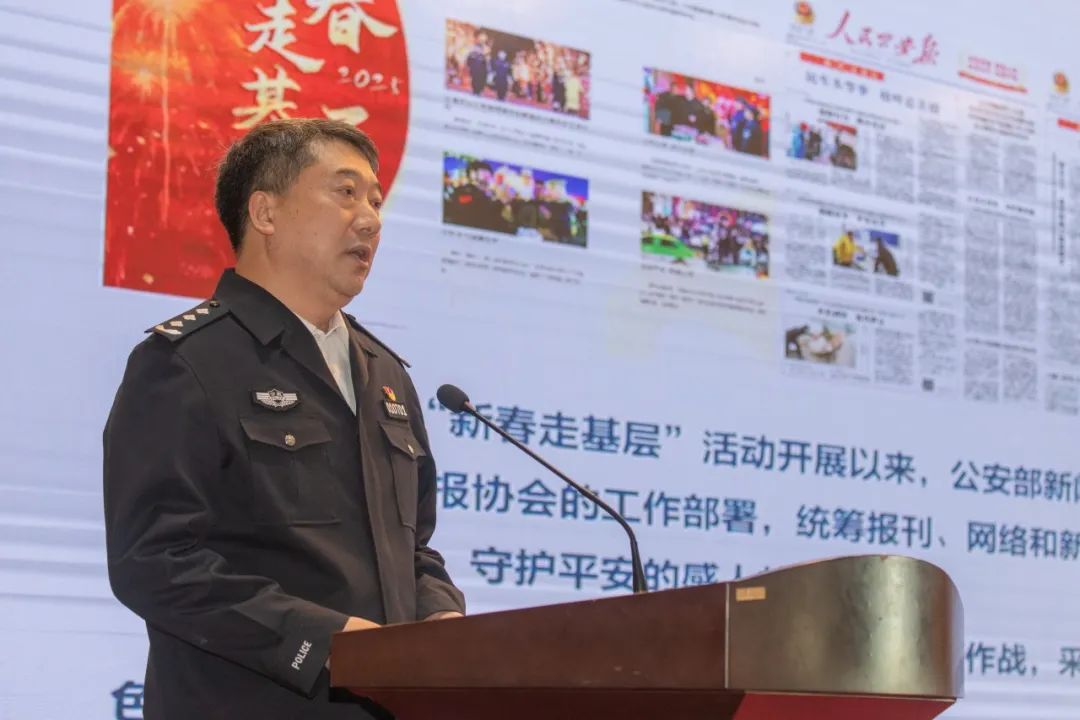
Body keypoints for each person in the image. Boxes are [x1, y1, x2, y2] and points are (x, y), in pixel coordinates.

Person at [103, 118, 466, 719]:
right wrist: (321, 640)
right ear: (265, 213)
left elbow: (413, 549)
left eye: (376, 201)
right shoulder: (187, 361)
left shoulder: (386, 375)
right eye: (345, 192)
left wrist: (440, 616)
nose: (371, 220)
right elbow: (154, 561)